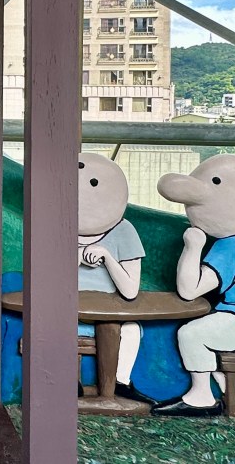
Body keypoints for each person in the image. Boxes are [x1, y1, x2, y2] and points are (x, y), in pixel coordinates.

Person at [152, 154, 235, 417]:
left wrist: (193, 246)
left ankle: (201, 397)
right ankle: (228, 389)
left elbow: (188, 290)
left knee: (191, 334)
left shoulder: (233, 248)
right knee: (205, 330)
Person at [77, 152, 154, 404]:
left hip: (112, 312)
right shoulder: (56, 228)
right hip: (70, 313)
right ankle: (69, 378)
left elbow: (130, 291)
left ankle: (121, 383)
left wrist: (108, 257)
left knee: (130, 329)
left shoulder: (125, 230)